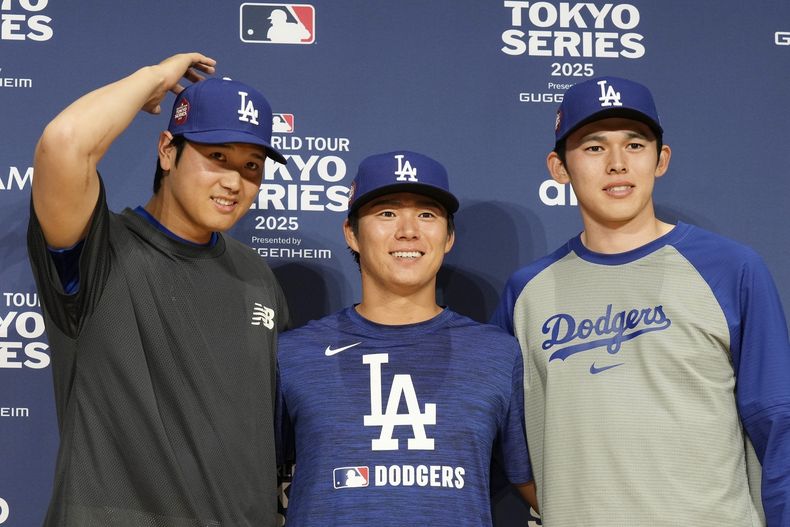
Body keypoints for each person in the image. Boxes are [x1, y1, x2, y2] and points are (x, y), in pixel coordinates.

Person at [492, 76, 790, 526]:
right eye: (594, 148)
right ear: (559, 167)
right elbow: (507, 439)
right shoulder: (527, 292)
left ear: (660, 159)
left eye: (635, 145)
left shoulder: (732, 269)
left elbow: (777, 424)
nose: (617, 164)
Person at [27, 53, 290, 526]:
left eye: (252, 165)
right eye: (216, 157)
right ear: (168, 151)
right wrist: (151, 79)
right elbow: (63, 145)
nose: (234, 181)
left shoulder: (257, 277)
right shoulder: (97, 249)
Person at [276, 151, 537, 525]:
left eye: (427, 214)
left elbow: (540, 486)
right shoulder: (294, 355)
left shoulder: (497, 354)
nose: (408, 230)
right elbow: (241, 482)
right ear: (351, 233)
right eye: (386, 213)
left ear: (448, 237)